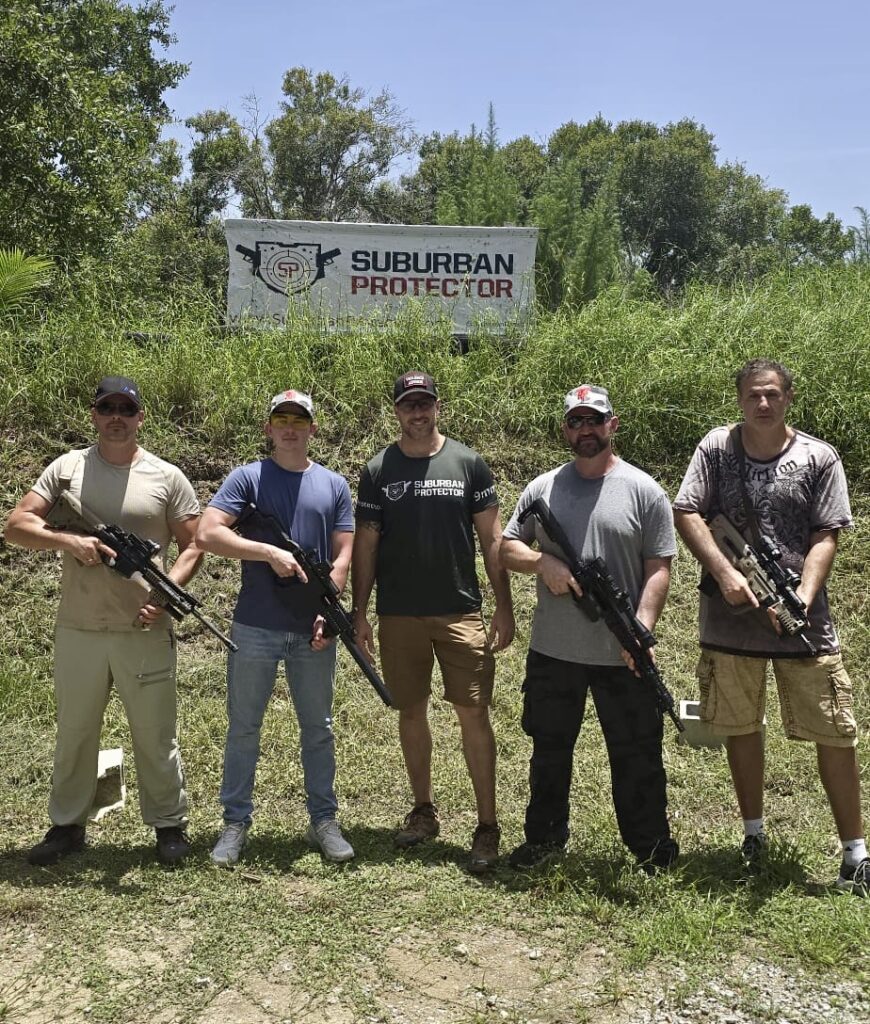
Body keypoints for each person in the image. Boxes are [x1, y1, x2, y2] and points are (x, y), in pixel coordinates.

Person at [673, 358, 869, 893]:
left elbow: (827, 533)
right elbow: (687, 510)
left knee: (835, 728)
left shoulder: (818, 457)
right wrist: (724, 573)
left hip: (800, 622)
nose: (763, 404)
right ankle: (753, 835)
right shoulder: (716, 448)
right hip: (729, 624)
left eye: (773, 395)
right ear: (740, 399)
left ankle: (855, 854)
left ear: (788, 397)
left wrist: (803, 596)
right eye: (754, 395)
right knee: (739, 724)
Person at [5, 376, 202, 866]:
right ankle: (67, 825)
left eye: (127, 409)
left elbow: (195, 543)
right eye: (107, 407)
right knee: (76, 732)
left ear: (140, 417)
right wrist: (70, 542)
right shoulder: (66, 470)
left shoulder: (165, 476)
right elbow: (16, 526)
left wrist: (166, 594)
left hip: (143, 628)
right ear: (94, 414)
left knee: (155, 733)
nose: (117, 416)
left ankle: (168, 824)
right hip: (80, 628)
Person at [500, 384, 679, 873]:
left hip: (621, 653)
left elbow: (659, 566)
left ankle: (651, 849)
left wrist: (640, 631)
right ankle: (543, 840)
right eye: (576, 422)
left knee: (637, 754)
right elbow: (506, 548)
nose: (585, 431)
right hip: (555, 651)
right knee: (550, 751)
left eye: (594, 421)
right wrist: (544, 565)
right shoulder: (543, 489)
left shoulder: (644, 490)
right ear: (565, 429)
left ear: (612, 425)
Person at [351, 371, 514, 874]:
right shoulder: (379, 469)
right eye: (407, 405)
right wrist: (359, 613)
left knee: (474, 715)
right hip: (399, 614)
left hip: (460, 611)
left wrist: (503, 605)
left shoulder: (468, 463)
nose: (416, 413)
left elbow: (493, 540)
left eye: (424, 404)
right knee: (411, 712)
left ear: (437, 406)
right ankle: (423, 812)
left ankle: (487, 827)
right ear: (396, 411)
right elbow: (366, 545)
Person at [196, 389, 355, 867]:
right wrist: (267, 552)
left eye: (299, 419)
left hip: (314, 629)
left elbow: (344, 552)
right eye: (281, 418)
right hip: (256, 626)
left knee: (319, 729)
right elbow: (208, 532)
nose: (290, 426)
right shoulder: (247, 478)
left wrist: (330, 607)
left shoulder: (333, 484)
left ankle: (323, 821)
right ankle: (235, 823)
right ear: (268, 428)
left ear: (312, 428)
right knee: (244, 728)